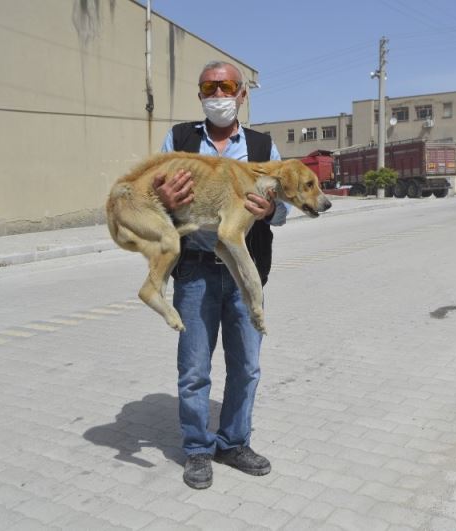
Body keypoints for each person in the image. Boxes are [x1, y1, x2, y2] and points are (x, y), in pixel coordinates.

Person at [154, 60, 288, 490]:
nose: (218, 94)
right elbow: (153, 195)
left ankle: (233, 442)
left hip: (246, 275)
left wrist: (271, 210)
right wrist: (162, 197)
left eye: (227, 86)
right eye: (209, 87)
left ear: (243, 95)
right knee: (194, 369)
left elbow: (285, 207)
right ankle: (197, 449)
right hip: (194, 272)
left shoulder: (265, 148)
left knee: (246, 366)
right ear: (199, 95)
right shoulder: (179, 139)